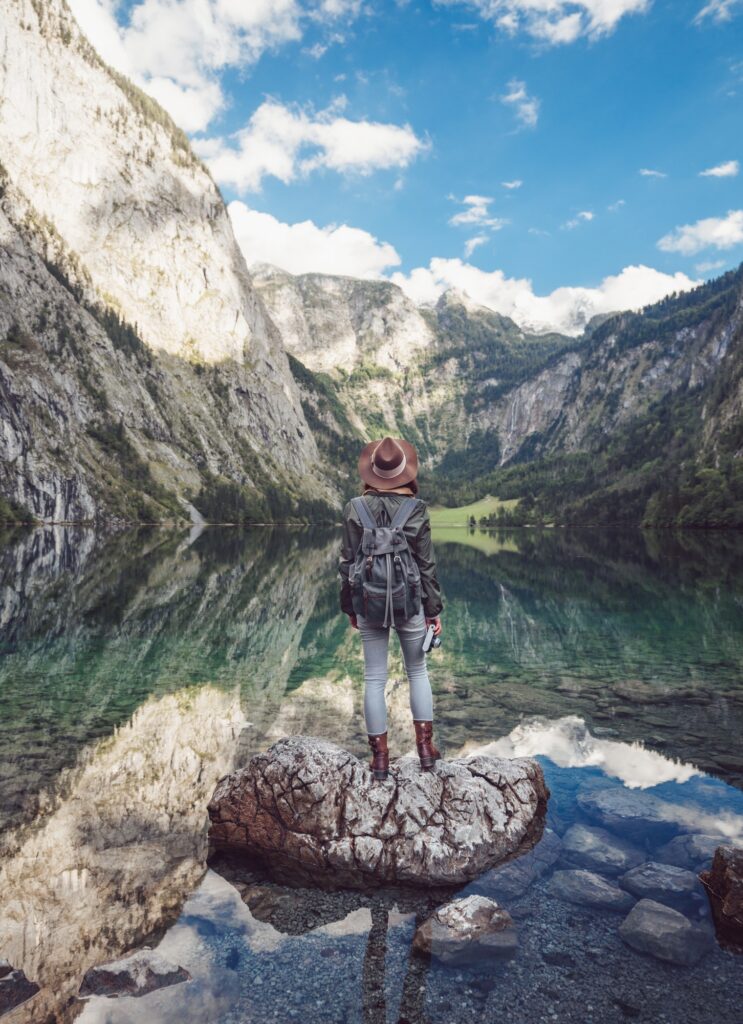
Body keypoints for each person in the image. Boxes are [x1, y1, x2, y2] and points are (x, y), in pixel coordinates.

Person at [339, 436, 443, 781]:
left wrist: (349, 607)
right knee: (417, 672)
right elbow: (426, 565)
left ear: (372, 473)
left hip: (367, 601)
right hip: (409, 601)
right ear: (404, 473)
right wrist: (433, 610)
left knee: (373, 678)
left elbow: (347, 562)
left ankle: (380, 759)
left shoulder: (355, 507)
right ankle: (426, 751)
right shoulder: (417, 509)